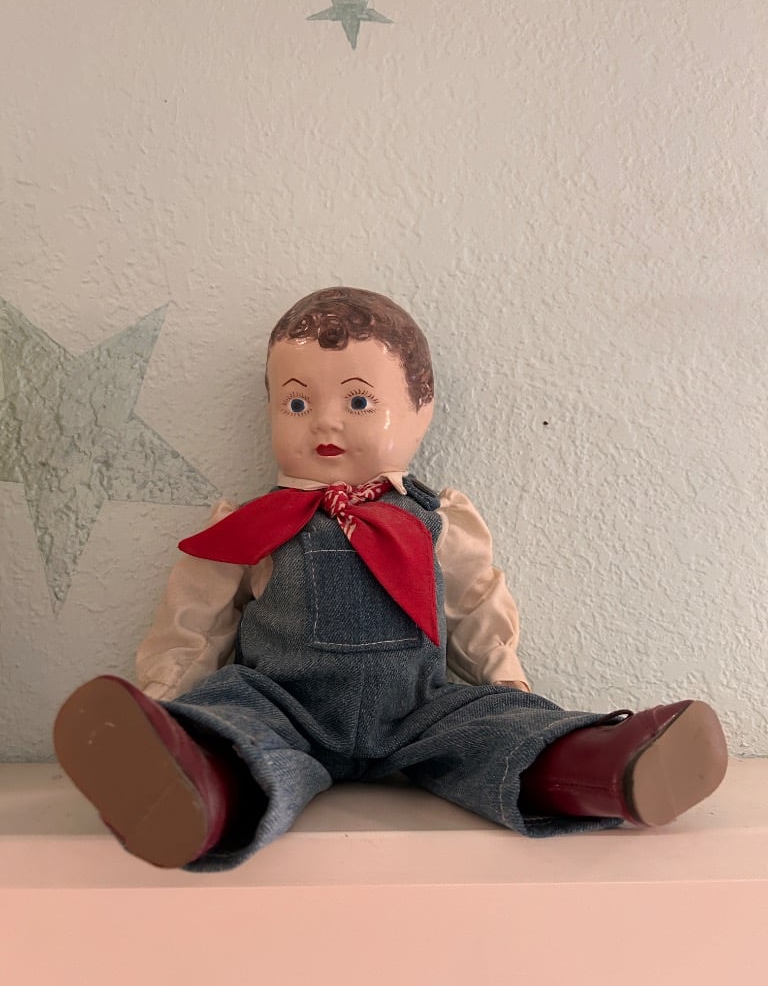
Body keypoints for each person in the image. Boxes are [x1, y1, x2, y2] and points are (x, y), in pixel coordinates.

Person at [53, 286, 728, 871]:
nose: (324, 420)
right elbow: (195, 621)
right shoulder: (249, 528)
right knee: (236, 729)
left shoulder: (440, 520)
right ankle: (186, 779)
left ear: (420, 410)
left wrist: (508, 689)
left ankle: (604, 767)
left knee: (493, 730)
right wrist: (164, 703)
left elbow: (475, 606)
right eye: (296, 404)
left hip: (419, 710)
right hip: (283, 705)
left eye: (358, 401)